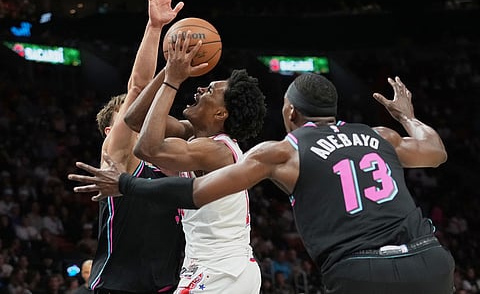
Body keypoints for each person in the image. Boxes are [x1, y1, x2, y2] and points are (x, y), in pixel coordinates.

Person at [69, 75, 455, 293]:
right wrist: (408, 116)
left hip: (358, 269)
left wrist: (126, 184)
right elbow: (435, 151)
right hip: (429, 258)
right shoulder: (380, 135)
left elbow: (195, 193)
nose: (200, 91)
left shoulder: (281, 152)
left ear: (289, 111)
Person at [118, 29, 267, 293]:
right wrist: (168, 69)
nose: (199, 88)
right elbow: (134, 120)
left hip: (221, 272)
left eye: (210, 90)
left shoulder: (216, 152)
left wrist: (173, 82)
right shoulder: (194, 135)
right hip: (219, 269)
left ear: (221, 113)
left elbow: (147, 149)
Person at [85, 0, 185, 293]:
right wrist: (155, 28)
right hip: (119, 285)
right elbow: (138, 87)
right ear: (110, 132)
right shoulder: (117, 158)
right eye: (129, 120)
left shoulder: (168, 160)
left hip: (166, 284)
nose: (137, 122)